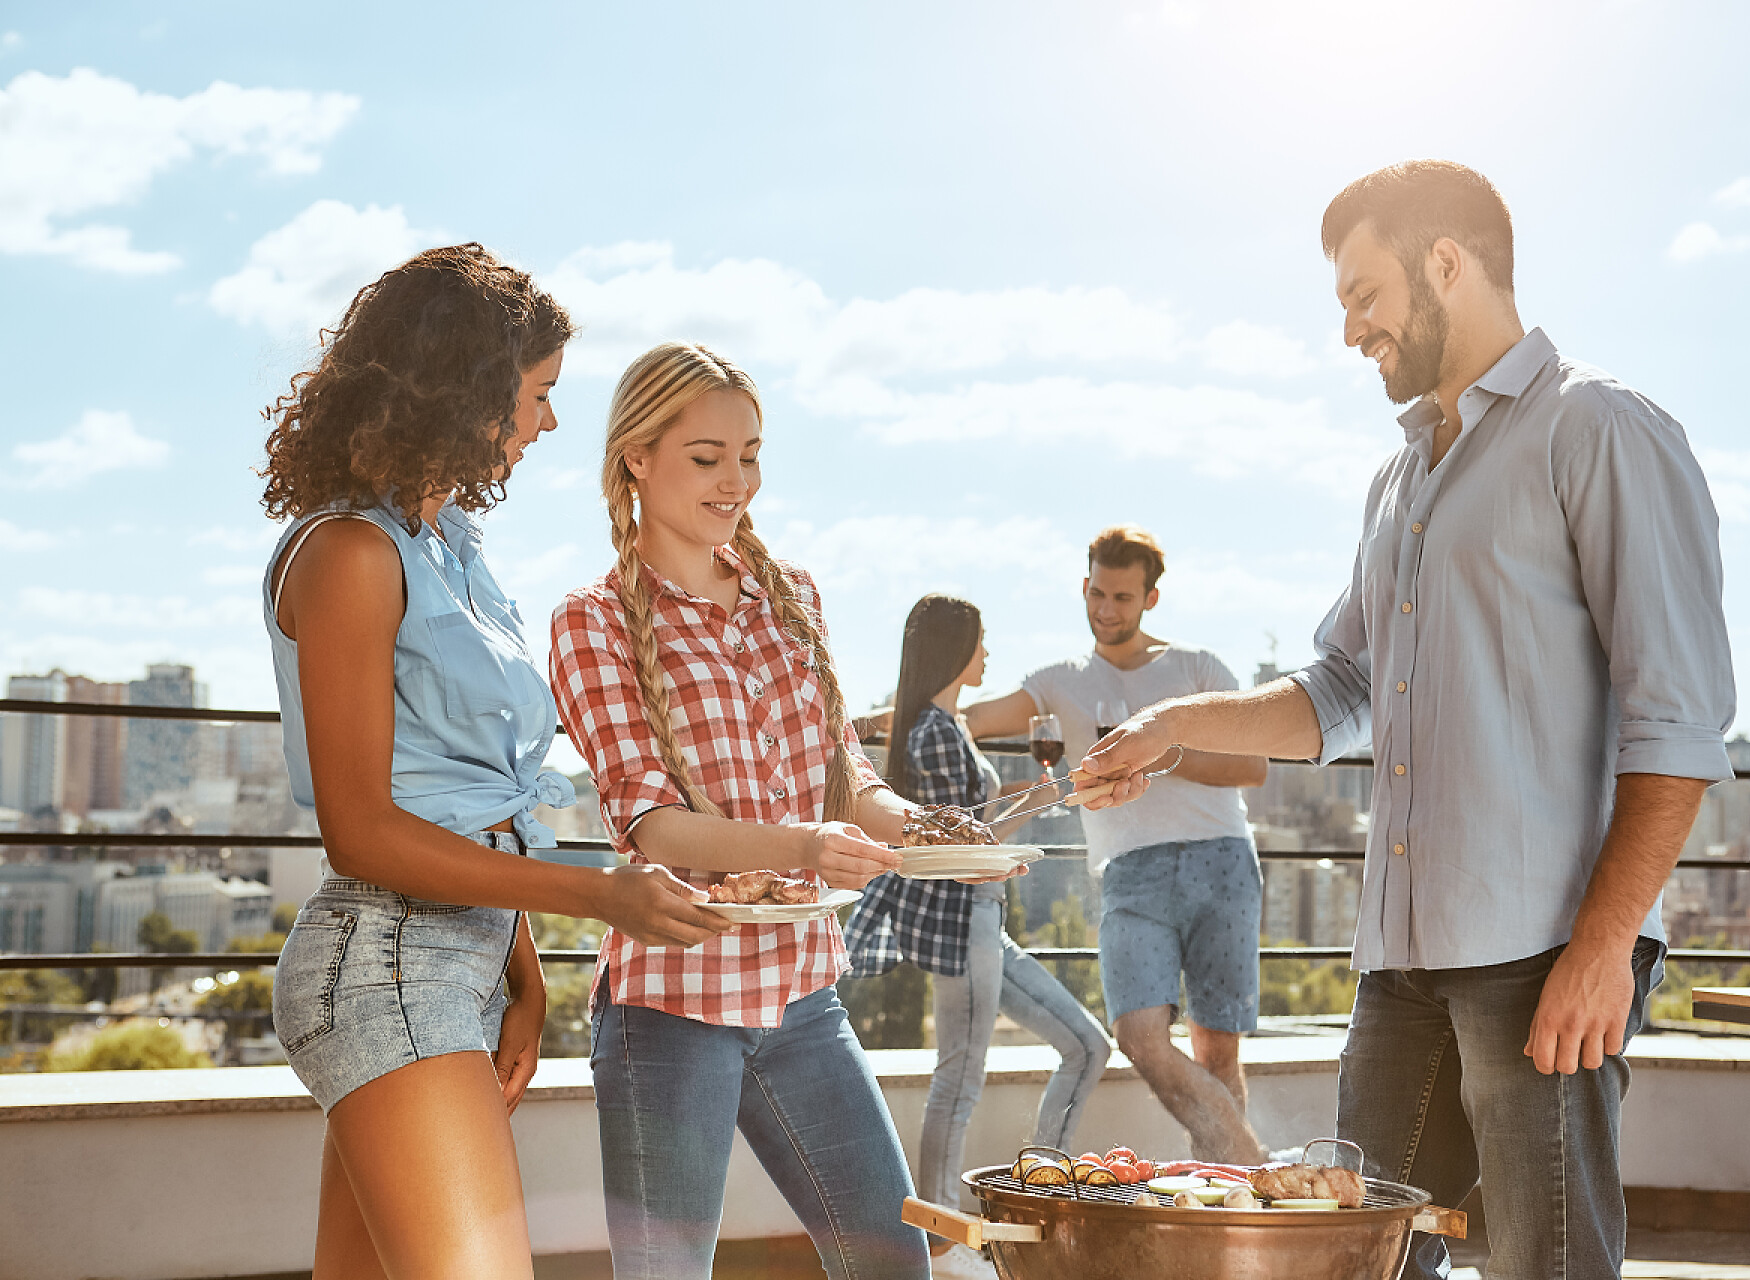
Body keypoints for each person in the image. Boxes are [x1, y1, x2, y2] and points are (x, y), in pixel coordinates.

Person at [1079, 161, 1737, 1280]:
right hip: (1400, 962)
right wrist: (1170, 725)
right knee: (1350, 1259)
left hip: (1542, 957)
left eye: (1362, 292)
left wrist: (1604, 944)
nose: (1351, 330)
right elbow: (1338, 690)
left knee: (1545, 1266)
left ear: (1448, 262)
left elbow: (1676, 718)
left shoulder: (1598, 429)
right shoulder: (1400, 480)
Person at [261, 245, 729, 1280]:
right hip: (385, 964)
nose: (547, 422)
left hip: (459, 966)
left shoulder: (450, 547)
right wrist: (592, 890)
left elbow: (472, 793)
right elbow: (365, 829)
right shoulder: (350, 553)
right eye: (537, 394)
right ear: (469, 389)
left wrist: (521, 972)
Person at [549, 342, 933, 1280]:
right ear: (637, 456)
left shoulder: (792, 598)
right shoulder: (593, 621)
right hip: (671, 1003)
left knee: (894, 1267)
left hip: (803, 996)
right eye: (708, 456)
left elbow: (843, 777)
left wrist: (937, 834)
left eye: (751, 454)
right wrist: (805, 844)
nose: (737, 481)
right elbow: (651, 826)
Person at [960, 526, 1270, 1164]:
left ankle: (1227, 1212)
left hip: (1222, 860)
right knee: (1139, 1037)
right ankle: (1254, 1171)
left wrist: (1162, 749)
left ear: (1150, 599)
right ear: (1084, 586)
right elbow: (966, 718)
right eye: (1097, 593)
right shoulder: (1058, 681)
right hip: (1129, 873)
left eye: (1123, 598)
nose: (1107, 609)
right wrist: (866, 724)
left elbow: (1255, 766)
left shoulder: (1200, 668)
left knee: (1218, 1051)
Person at [843, 594, 1112, 1279]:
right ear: (955, 648)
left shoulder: (940, 724)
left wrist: (1042, 794)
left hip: (984, 922)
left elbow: (969, 826)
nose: (988, 653)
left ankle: (1036, 1207)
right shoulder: (934, 729)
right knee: (958, 1083)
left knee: (1086, 1045)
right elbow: (959, 842)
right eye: (981, 641)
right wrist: (1041, 802)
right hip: (966, 924)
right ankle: (938, 1242)